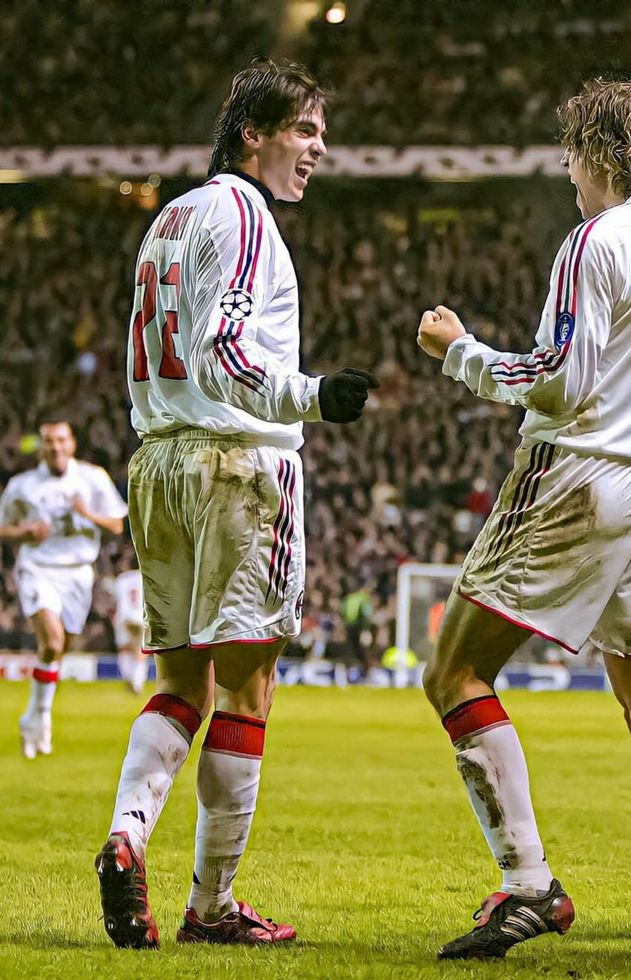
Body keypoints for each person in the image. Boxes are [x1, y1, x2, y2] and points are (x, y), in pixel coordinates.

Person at [416, 77, 631, 964]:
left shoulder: (599, 237)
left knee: (455, 673)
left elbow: (559, 378)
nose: (569, 180)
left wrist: (462, 355)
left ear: (597, 154)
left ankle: (528, 886)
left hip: (583, 474)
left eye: (570, 162)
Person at [95, 58, 377, 951]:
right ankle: (211, 906)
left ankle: (126, 835)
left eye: (321, 134)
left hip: (159, 462)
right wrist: (311, 393)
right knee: (248, 687)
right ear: (252, 132)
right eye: (304, 130)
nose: (317, 149)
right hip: (239, 468)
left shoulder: (170, 217)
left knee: (181, 680)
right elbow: (223, 350)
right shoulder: (244, 213)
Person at [0, 419, 126, 758]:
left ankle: (34, 712)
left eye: (60, 440)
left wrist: (87, 513)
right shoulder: (22, 485)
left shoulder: (92, 478)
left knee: (58, 648)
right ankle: (40, 716)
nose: (55, 447)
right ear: (40, 447)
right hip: (38, 568)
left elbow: (116, 524)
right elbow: (3, 527)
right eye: (48, 442)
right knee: (52, 641)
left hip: (79, 574)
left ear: (71, 444)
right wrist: (23, 532)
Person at [112, 551, 147, 695]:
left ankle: (128, 677)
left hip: (124, 617)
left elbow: (117, 599)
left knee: (124, 649)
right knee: (140, 651)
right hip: (141, 616)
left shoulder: (121, 578)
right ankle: (137, 682)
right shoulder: (145, 577)